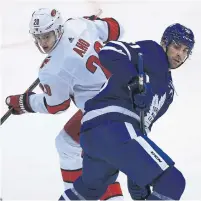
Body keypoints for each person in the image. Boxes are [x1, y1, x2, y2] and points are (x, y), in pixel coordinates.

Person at [60, 23, 195, 200]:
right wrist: (134, 82)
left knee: (87, 191)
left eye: (186, 51)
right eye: (177, 46)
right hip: (112, 124)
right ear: (164, 43)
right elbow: (110, 50)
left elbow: (142, 127)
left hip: (98, 134)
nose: (180, 54)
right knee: (172, 181)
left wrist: (137, 176)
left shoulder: (168, 93)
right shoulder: (152, 52)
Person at [5, 8, 125, 200]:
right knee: (69, 144)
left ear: (58, 30)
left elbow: (56, 106)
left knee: (94, 164)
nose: (43, 43)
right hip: (127, 94)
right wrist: (92, 23)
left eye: (47, 36)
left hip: (106, 116)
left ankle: (77, 196)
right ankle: (77, 194)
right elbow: (116, 28)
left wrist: (24, 102)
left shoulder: (51, 69)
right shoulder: (77, 24)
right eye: (39, 37)